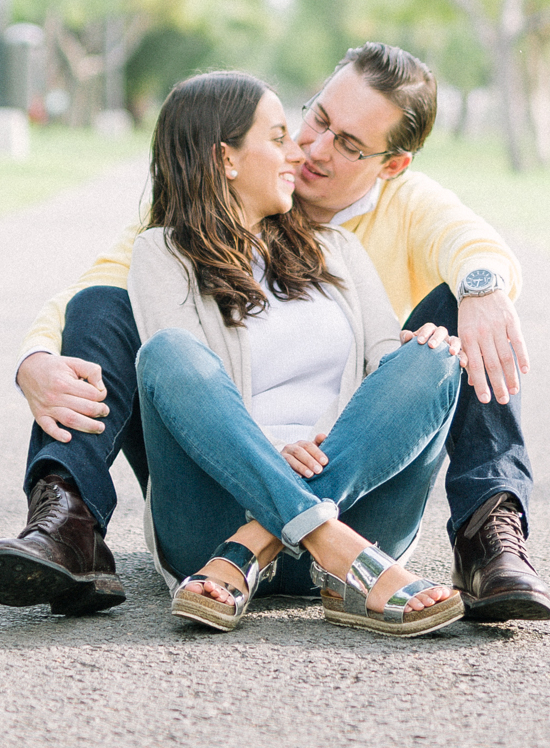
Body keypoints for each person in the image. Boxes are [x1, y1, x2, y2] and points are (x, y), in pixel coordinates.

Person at [0, 41, 550, 622]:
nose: (311, 148)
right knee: (133, 327)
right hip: (219, 497)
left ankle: (479, 535)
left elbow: (468, 249)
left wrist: (483, 292)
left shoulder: (361, 234)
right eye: (315, 120)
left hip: (349, 482)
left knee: (449, 340)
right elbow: (94, 296)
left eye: (348, 145)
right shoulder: (168, 246)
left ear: (391, 164)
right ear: (227, 158)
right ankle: (67, 520)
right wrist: (35, 357)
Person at [119, 71, 466, 635]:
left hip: (349, 508)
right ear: (226, 158)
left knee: (434, 357)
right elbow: (191, 399)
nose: (297, 151)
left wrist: (337, 437)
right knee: (169, 355)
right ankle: (340, 556)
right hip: (215, 518)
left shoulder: (338, 248)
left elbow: (384, 363)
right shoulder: (162, 254)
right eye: (277, 138)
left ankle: (264, 546)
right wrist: (272, 453)